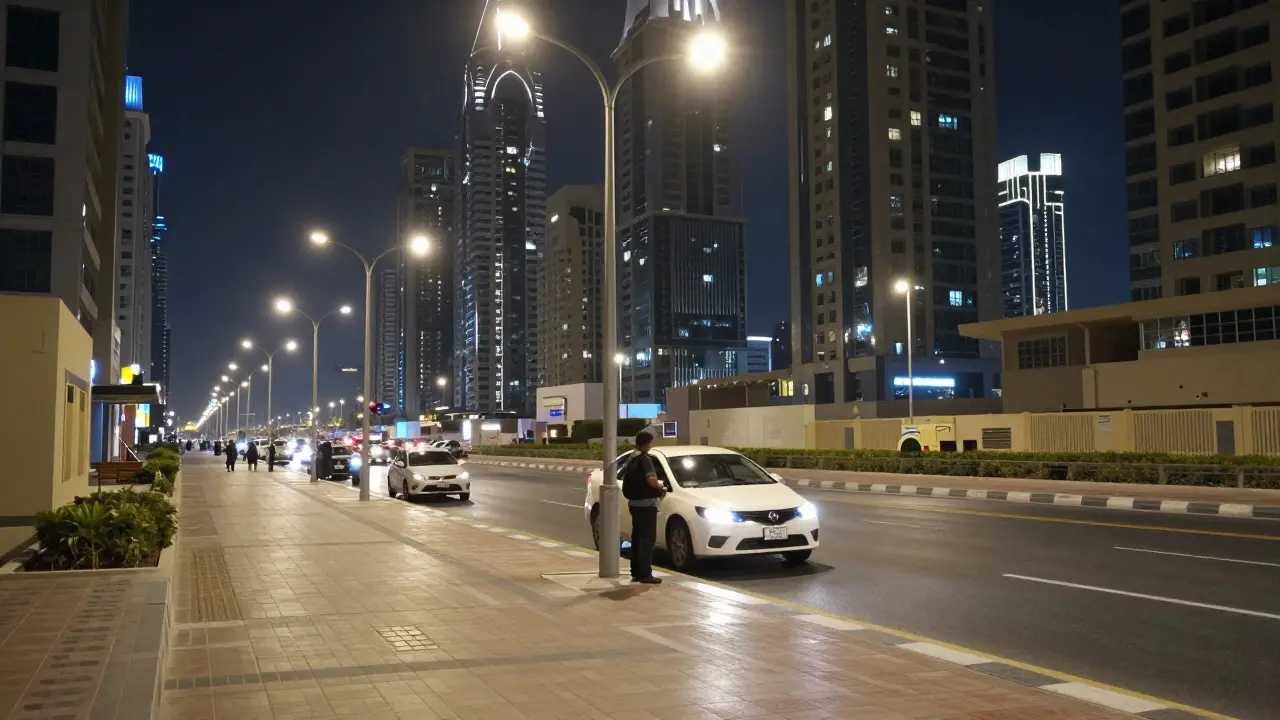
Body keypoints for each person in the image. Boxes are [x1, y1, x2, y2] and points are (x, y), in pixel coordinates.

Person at [621, 430, 665, 584]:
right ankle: (645, 574)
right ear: (646, 444)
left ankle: (636, 572)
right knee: (648, 539)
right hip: (647, 505)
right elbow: (651, 480)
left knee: (637, 537)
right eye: (650, 443)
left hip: (634, 504)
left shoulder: (631, 458)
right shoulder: (644, 459)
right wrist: (660, 489)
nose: (650, 446)